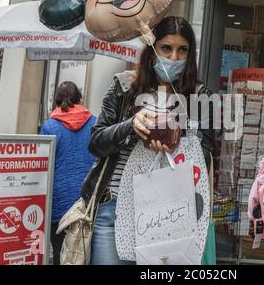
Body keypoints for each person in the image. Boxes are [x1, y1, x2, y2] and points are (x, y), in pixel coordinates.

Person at [81, 16, 215, 265]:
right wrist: (131, 126)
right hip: (115, 206)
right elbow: (96, 143)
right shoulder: (124, 87)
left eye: (182, 50)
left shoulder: (201, 97)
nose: (174, 57)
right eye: (166, 48)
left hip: (170, 213)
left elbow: (207, 154)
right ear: (152, 52)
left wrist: (178, 138)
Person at [40, 81, 97, 265]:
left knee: (60, 253)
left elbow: (43, 166)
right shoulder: (95, 123)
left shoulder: (49, 127)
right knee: (88, 252)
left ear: (57, 101)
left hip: (59, 204)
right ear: (80, 99)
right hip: (89, 202)